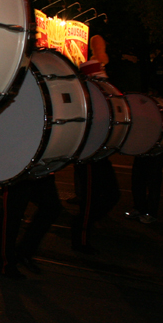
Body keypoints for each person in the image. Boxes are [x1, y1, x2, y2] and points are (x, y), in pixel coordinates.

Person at [71, 36, 121, 253]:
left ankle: (84, 227)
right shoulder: (87, 94)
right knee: (90, 200)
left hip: (99, 151)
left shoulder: (98, 93)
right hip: (88, 154)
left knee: (112, 194)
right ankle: (80, 237)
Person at [0, 174, 62, 277]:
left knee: (52, 207)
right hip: (18, 170)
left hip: (40, 169)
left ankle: (24, 252)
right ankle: (6, 263)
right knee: (12, 216)